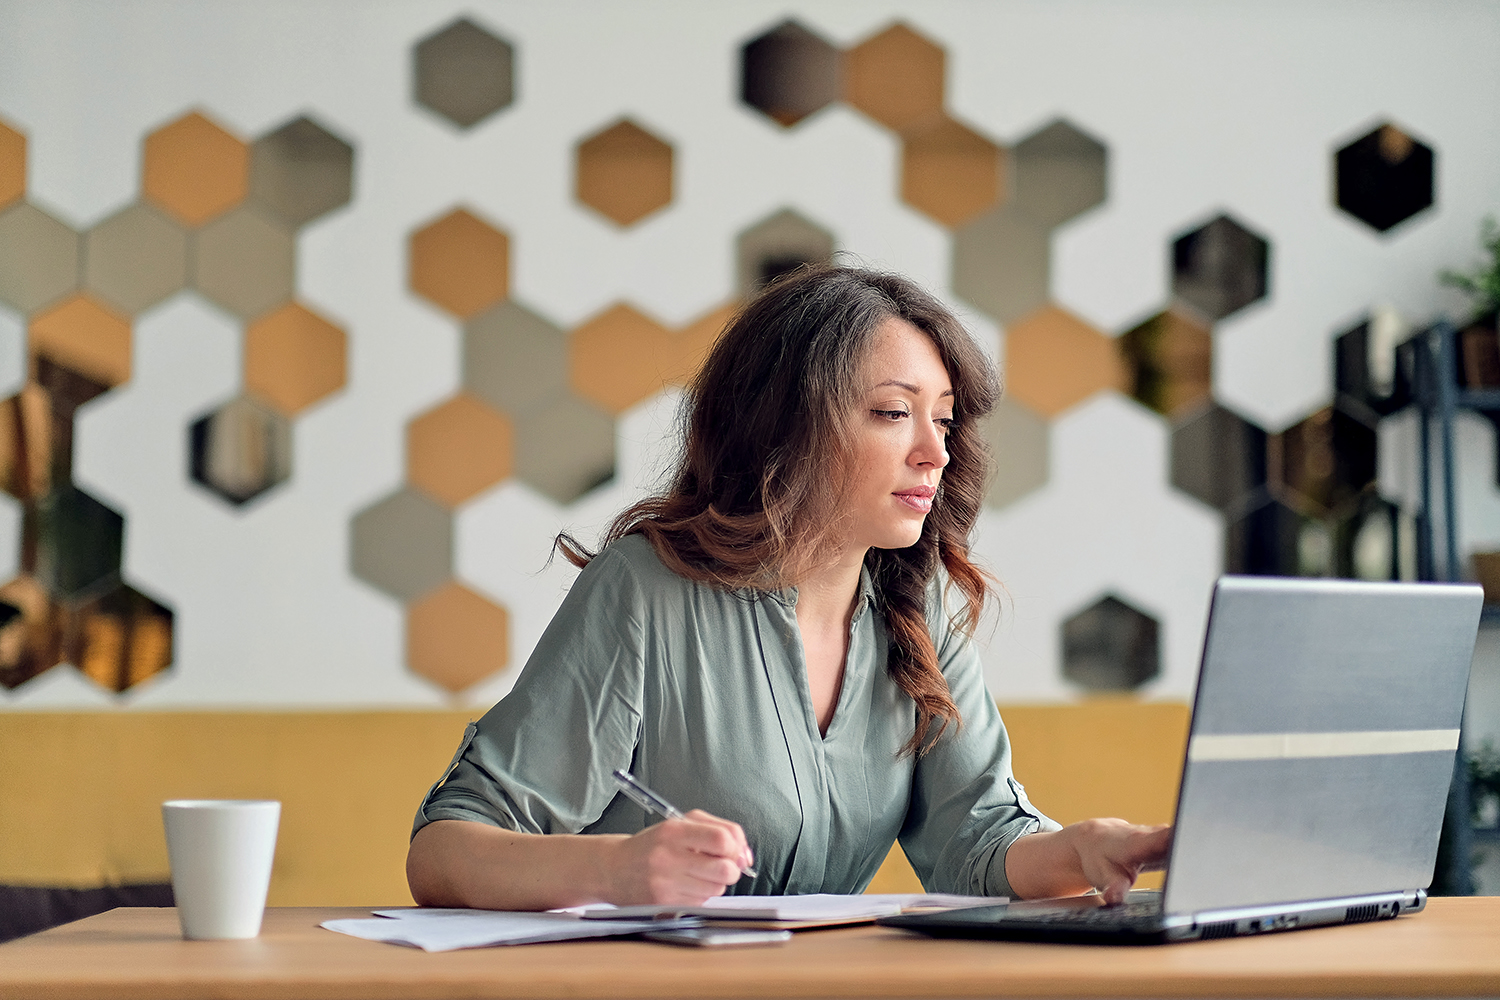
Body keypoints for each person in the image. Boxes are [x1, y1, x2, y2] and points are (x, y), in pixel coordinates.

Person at [406, 264, 1170, 911]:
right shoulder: (645, 591)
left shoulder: (917, 603)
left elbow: (977, 839)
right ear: (785, 426)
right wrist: (616, 869)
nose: (933, 451)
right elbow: (443, 852)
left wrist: (1086, 849)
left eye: (943, 420)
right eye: (893, 413)